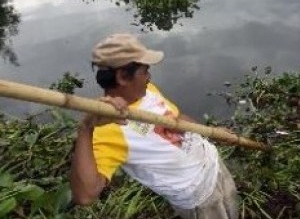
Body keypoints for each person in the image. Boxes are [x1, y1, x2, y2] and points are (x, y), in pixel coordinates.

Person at [71, 33, 238, 219]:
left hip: (214, 165)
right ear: (123, 77)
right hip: (198, 196)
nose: (149, 77)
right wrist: (86, 128)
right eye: (145, 71)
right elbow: (85, 196)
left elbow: (177, 119)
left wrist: (213, 133)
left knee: (233, 210)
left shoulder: (147, 91)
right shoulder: (105, 130)